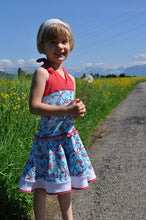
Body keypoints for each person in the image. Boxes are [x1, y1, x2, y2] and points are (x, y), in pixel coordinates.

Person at [18, 18, 97, 220]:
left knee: (66, 183)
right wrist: (65, 109)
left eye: (64, 41)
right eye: (52, 42)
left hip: (67, 138)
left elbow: (70, 110)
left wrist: (77, 111)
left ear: (70, 44)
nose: (59, 47)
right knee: (41, 185)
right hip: (47, 141)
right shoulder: (42, 73)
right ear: (41, 47)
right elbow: (34, 107)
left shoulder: (70, 78)